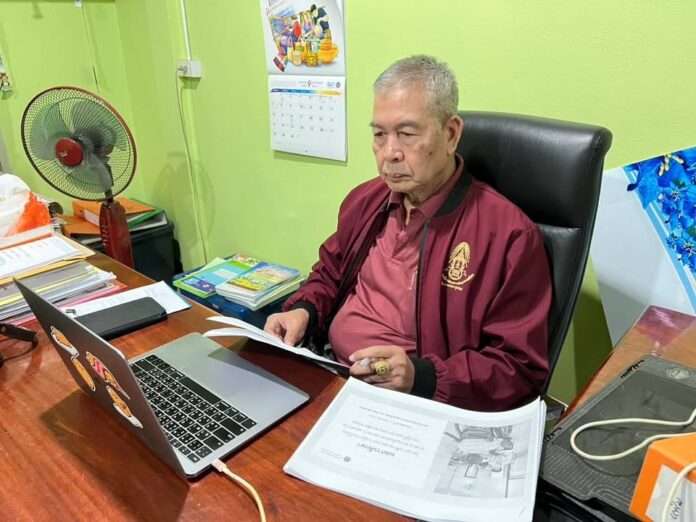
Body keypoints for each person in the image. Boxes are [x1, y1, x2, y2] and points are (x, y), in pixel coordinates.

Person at [264, 55, 551, 411]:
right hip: (331, 373)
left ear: (451, 134)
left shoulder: (508, 235)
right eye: (379, 135)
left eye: (407, 134)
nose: (389, 153)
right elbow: (330, 273)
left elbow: (518, 368)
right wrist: (304, 310)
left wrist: (422, 376)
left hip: (415, 405)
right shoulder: (366, 200)